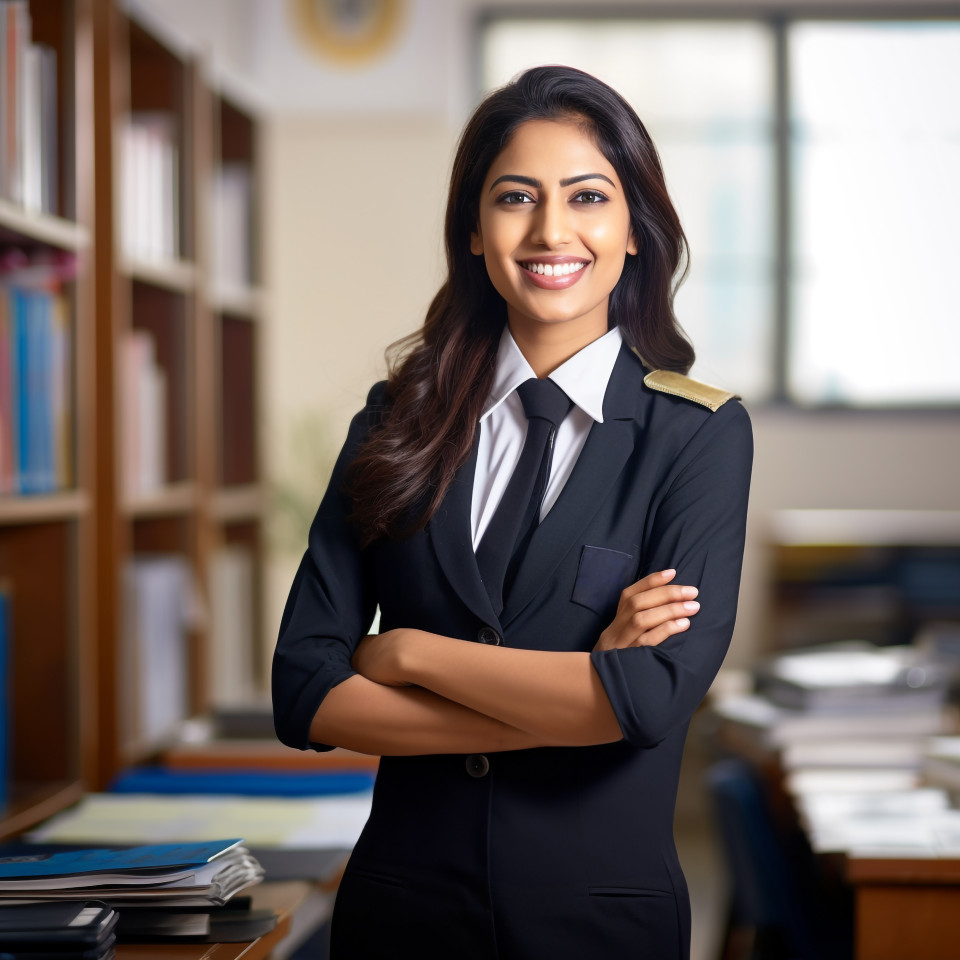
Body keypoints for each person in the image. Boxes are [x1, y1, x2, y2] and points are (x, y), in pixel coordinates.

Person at [273, 65, 752, 959]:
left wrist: (408, 654)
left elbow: (648, 697)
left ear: (635, 231)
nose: (551, 231)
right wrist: (571, 702)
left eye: (587, 196)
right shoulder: (394, 423)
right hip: (402, 916)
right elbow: (304, 687)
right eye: (516, 198)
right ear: (473, 230)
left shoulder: (699, 435)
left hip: (599, 922)